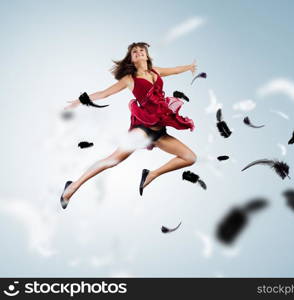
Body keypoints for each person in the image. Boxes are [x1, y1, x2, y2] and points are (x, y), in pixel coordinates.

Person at [60, 42, 197, 209]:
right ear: (131, 59)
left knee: (190, 158)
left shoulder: (156, 71)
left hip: (159, 132)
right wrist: (78, 101)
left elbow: (175, 70)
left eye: (141, 50)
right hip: (142, 130)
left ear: (146, 55)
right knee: (113, 160)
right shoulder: (129, 79)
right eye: (134, 51)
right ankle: (72, 187)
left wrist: (189, 67)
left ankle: (151, 175)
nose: (139, 52)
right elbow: (105, 93)